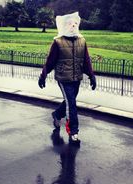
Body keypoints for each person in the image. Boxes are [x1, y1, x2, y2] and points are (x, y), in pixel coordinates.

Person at [38, 12, 96, 144]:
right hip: (64, 78)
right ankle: (73, 131)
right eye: (70, 23)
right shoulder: (58, 42)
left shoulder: (82, 40)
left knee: (70, 102)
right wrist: (43, 75)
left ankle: (57, 115)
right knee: (72, 104)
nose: (73, 26)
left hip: (77, 78)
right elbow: (50, 61)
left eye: (75, 23)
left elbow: (86, 60)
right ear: (64, 26)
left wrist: (92, 76)